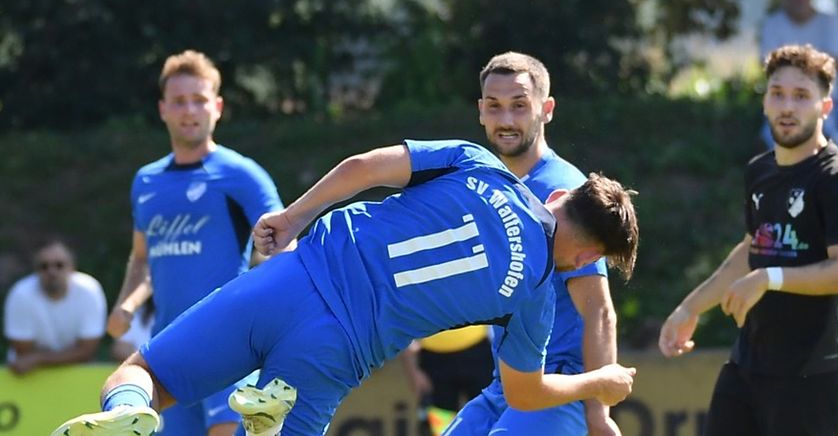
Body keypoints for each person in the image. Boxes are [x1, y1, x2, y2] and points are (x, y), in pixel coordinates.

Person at [52, 139, 640, 436]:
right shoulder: (534, 300)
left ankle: (129, 414)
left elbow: (364, 167)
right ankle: (267, 412)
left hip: (292, 277)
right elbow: (526, 392)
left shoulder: (480, 162)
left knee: (142, 373)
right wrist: (600, 381)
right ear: (589, 255)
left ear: (559, 197)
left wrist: (294, 216)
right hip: (338, 350)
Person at [658, 44, 838, 436]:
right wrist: (689, 309)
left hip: (813, 372)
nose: (787, 106)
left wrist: (769, 278)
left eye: (801, 96)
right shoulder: (759, 171)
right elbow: (750, 250)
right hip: (749, 365)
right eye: (777, 93)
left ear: (826, 107)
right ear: (765, 103)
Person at [103, 50, 288, 436]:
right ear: (162, 109)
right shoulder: (146, 181)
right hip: (167, 353)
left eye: (199, 100)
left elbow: (285, 245)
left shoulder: (241, 175)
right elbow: (142, 258)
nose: (190, 110)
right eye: (179, 101)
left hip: (228, 344)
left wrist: (276, 318)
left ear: (217, 107)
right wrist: (127, 303)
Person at [446, 51, 623, 436]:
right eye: (495, 106)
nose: (506, 120)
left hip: (562, 386)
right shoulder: (487, 184)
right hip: (507, 385)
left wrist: (598, 414)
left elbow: (599, 312)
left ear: (547, 109)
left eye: (520, 106)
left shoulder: (566, 194)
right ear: (480, 111)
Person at [759, 0, 838, 151]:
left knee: (832, 140)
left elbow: (835, 63)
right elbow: (768, 65)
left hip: (823, 98)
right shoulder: (773, 23)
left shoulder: (829, 23)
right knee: (770, 140)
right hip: (783, 100)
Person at [4, 238, 107, 376]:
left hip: (77, 372)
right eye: (44, 266)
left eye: (59, 265)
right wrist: (69, 356)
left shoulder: (90, 291)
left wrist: (38, 358)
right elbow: (23, 351)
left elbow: (87, 351)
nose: (52, 271)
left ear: (72, 267)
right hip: (30, 376)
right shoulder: (20, 295)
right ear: (36, 270)